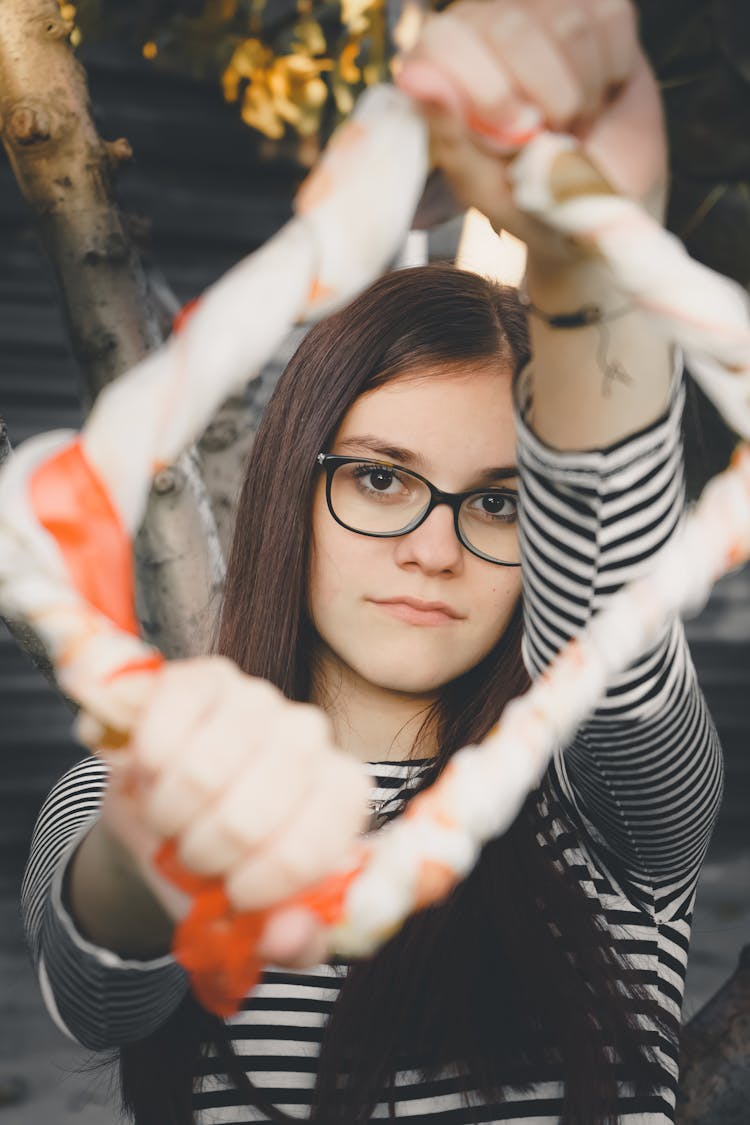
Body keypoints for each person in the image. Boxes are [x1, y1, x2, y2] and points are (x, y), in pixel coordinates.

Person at [21, 1, 723, 1123]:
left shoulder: (605, 813)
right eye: (382, 478)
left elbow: (617, 626)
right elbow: (97, 986)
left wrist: (592, 249)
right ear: (297, 485)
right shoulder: (123, 787)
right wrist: (159, 850)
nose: (434, 549)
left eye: (499, 501)